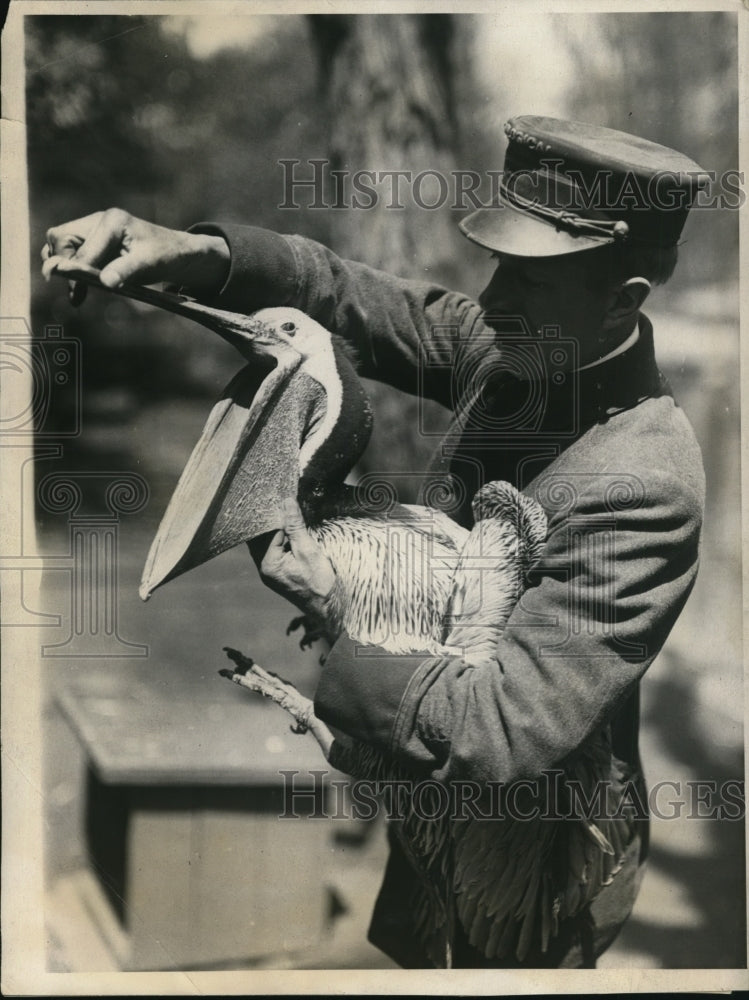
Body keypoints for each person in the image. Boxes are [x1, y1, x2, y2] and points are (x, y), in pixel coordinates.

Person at [42, 115, 708, 968]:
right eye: (500, 260)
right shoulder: (521, 348)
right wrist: (190, 253)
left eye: (532, 278)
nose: (493, 297)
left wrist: (337, 614)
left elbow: (497, 735)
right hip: (427, 817)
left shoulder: (642, 486)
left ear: (624, 298)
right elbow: (356, 298)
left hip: (534, 876)